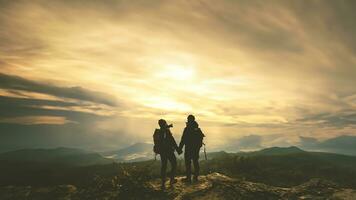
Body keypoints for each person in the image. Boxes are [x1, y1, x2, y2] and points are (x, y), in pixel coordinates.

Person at [153, 119, 182, 190]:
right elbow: (172, 140)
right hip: (168, 151)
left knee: (164, 166)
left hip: (162, 152)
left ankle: (163, 183)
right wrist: (178, 149)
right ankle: (171, 180)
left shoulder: (158, 132)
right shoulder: (166, 131)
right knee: (174, 164)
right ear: (164, 124)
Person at [179, 115, 205, 183]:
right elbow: (201, 138)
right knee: (195, 162)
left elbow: (183, 139)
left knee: (188, 163)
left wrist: (180, 148)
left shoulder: (187, 129)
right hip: (196, 149)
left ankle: (188, 178)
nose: (187, 120)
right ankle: (195, 177)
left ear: (189, 120)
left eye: (188, 119)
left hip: (188, 148)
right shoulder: (197, 129)